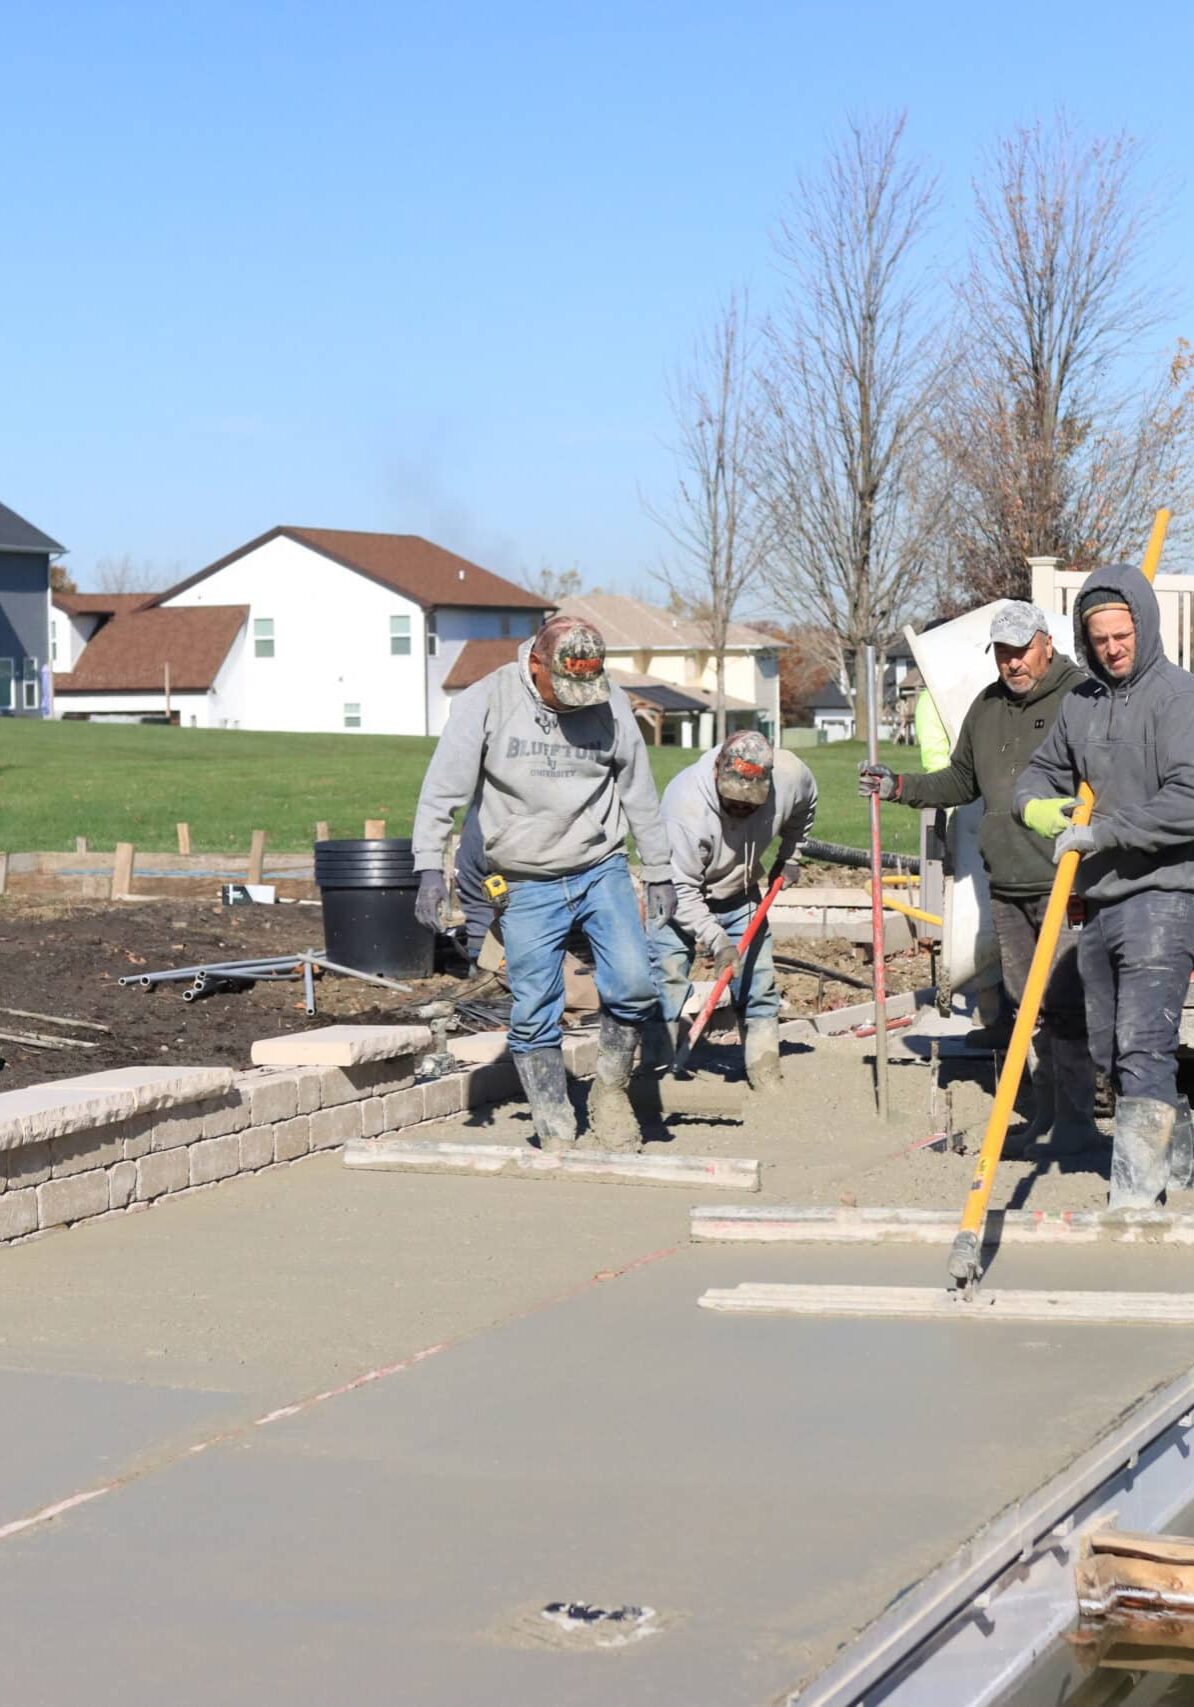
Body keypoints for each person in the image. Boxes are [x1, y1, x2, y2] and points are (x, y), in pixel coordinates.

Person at [411, 615, 676, 1154]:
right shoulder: (486, 701)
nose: (578, 702)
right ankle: (555, 1124)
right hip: (524, 878)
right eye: (566, 688)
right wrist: (427, 869)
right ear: (536, 663)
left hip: (599, 865)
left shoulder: (608, 700)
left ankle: (610, 1092)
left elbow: (639, 790)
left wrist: (659, 870)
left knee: (634, 985)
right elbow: (442, 791)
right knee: (534, 1009)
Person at [859, 602, 1095, 1152]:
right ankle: (1046, 1114)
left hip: (1064, 880)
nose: (1012, 662)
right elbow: (961, 780)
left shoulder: (1081, 699)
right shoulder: (987, 707)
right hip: (1007, 883)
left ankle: (1076, 1121)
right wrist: (898, 786)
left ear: (1046, 643)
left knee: (1065, 1002)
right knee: (1025, 1004)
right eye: (1003, 652)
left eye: (1021, 650)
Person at [1014, 564, 1194, 1208]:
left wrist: (1106, 832)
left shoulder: (1178, 698)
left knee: (1144, 1043)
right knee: (1109, 1048)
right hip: (1099, 896)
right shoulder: (1082, 704)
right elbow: (1038, 773)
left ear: (1143, 628)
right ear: (1084, 641)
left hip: (1164, 893)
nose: (1112, 649)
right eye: (1100, 639)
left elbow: (1189, 798)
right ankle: (1178, 1157)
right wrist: (1038, 807)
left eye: (1122, 636)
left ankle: (1137, 1199)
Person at [648, 731, 817, 1090]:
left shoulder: (790, 776)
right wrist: (718, 941)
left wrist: (791, 855)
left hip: (740, 894)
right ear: (716, 772)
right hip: (677, 896)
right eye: (733, 800)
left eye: (750, 803)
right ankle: (657, 1076)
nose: (741, 808)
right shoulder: (685, 806)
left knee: (758, 983)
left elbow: (806, 804)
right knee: (667, 980)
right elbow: (682, 890)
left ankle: (764, 1071)